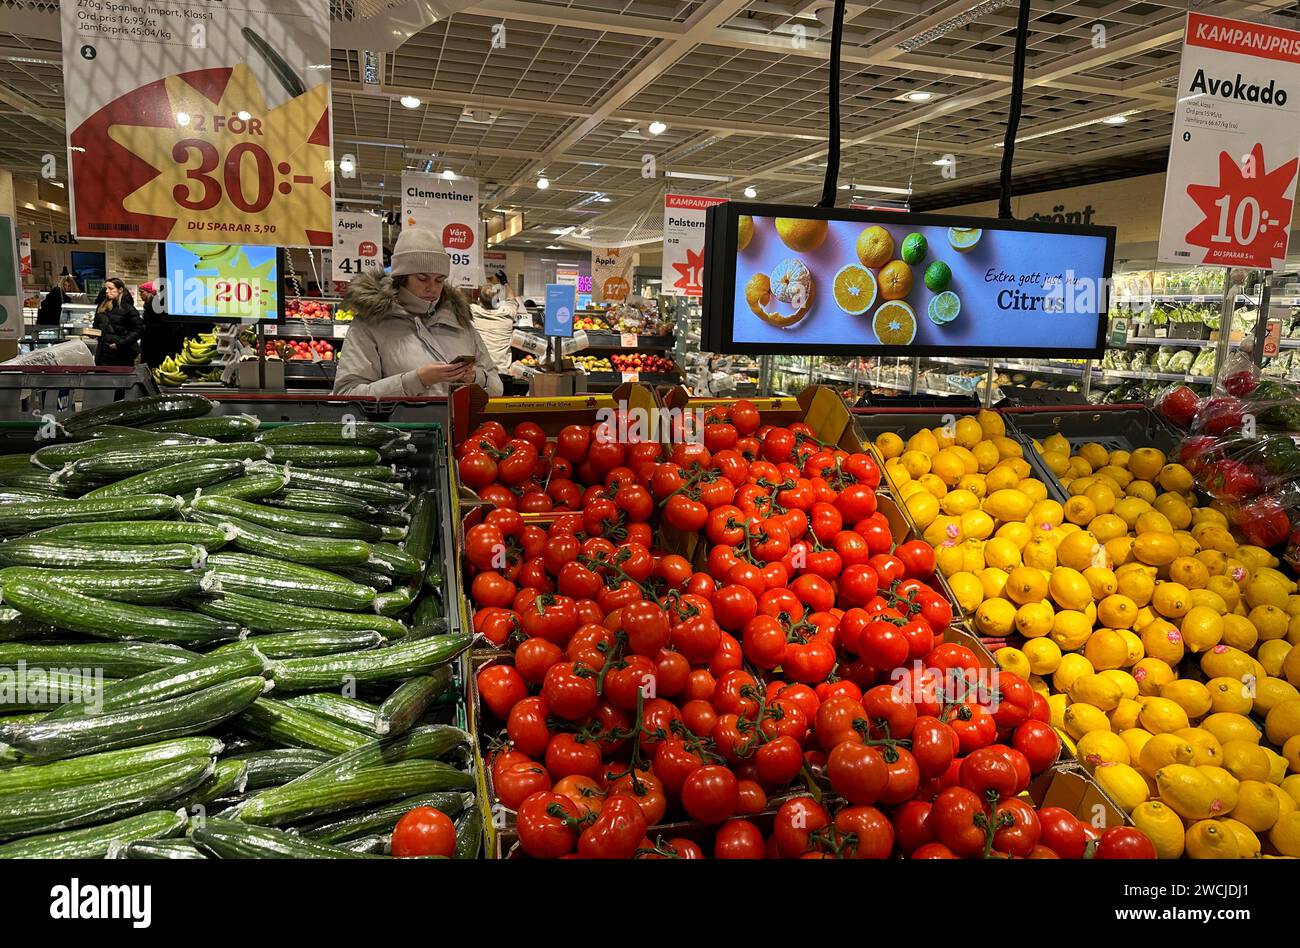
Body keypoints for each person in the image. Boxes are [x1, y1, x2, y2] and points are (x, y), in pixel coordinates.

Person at [332, 228, 503, 397]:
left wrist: (476, 377)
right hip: (400, 425)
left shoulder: (459, 320)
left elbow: (497, 387)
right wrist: (416, 380)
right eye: (422, 278)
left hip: (461, 425)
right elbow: (347, 394)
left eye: (439, 280)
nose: (432, 287)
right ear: (401, 277)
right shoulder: (371, 322)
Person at [471, 271, 522, 379]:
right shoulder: (507, 313)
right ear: (498, 300)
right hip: (502, 374)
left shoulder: (472, 312)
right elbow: (511, 299)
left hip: (480, 375)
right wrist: (505, 283)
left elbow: (457, 300)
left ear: (479, 301)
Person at [93, 277, 145, 366]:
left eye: (111, 288)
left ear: (120, 290)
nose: (106, 291)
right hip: (102, 354)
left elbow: (139, 329)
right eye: (106, 288)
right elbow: (96, 326)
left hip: (121, 355)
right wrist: (93, 333)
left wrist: (121, 343)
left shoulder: (128, 308)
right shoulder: (101, 306)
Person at [137, 281, 187, 370]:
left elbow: (155, 326)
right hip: (157, 344)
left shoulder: (154, 306)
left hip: (156, 345)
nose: (140, 295)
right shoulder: (152, 304)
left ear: (150, 292)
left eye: (142, 292)